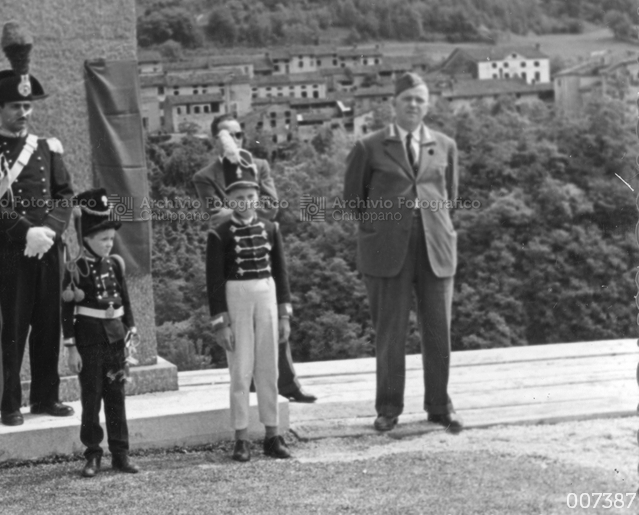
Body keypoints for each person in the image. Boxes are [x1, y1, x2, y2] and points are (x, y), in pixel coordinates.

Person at [0, 22, 74, 426]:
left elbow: (65, 195)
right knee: (12, 329)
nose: (23, 113)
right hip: (9, 251)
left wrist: (51, 232)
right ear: (1, 109)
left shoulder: (49, 148)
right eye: (15, 107)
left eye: (28, 107)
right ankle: (10, 404)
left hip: (49, 248)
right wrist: (26, 231)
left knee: (49, 324)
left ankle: (46, 398)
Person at [342, 72, 463, 434]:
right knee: (390, 333)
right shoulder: (369, 146)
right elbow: (354, 200)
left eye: (420, 99)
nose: (413, 105)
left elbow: (449, 198)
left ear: (428, 105)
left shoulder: (445, 145)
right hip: (386, 252)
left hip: (435, 248)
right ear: (393, 104)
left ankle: (440, 406)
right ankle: (389, 408)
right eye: (407, 99)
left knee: (438, 331)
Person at [192, 114, 316, 404]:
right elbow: (214, 216)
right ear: (216, 141)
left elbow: (272, 208)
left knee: (273, 323)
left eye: (238, 135)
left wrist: (235, 211)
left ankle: (287, 385)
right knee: (237, 330)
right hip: (230, 259)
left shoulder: (259, 166)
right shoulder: (205, 176)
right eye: (227, 135)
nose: (234, 140)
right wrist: (247, 208)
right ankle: (247, 387)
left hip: (262, 251)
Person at [206, 158, 293, 462]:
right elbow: (214, 281)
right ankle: (241, 437)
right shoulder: (220, 233)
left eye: (250, 196)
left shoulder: (271, 228)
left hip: (267, 296)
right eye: (239, 197)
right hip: (236, 296)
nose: (245, 202)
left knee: (269, 369)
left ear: (258, 197)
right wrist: (221, 323)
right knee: (241, 371)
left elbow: (281, 274)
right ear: (229, 199)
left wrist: (284, 315)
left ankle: (273, 434)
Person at [63, 188, 139, 478]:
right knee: (92, 398)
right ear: (86, 238)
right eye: (102, 239)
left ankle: (120, 454)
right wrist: (71, 347)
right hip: (90, 343)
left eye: (111, 238)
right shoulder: (74, 269)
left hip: (116, 342)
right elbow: (66, 313)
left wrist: (131, 337)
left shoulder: (116, 263)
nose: (109, 244)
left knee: (116, 397)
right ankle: (93, 454)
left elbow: (126, 302)